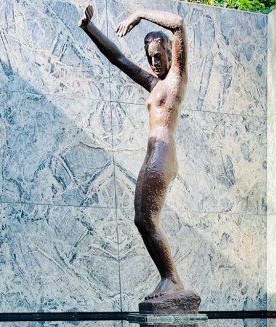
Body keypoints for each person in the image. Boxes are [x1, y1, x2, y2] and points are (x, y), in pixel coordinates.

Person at [80, 5, 198, 308]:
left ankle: (172, 278)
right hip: (154, 152)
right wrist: (89, 28)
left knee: (147, 218)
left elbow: (178, 24)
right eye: (150, 58)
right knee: (142, 219)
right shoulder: (154, 84)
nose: (154, 62)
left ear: (170, 54)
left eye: (159, 56)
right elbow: (119, 59)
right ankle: (170, 278)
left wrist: (140, 13)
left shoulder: (177, 78)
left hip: (163, 151)